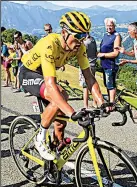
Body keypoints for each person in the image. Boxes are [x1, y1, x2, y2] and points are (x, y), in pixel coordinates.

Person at [19, 11, 104, 161]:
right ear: (64, 33)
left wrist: (102, 103)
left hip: (45, 77)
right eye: (77, 36)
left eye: (84, 36)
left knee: (60, 124)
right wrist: (73, 113)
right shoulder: (50, 44)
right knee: (62, 95)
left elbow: (89, 78)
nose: (81, 41)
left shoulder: (79, 48)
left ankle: (54, 163)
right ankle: (40, 138)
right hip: (29, 73)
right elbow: (51, 86)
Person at [97, 18, 121, 103]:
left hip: (111, 64)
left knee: (110, 84)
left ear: (114, 26)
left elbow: (115, 53)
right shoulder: (105, 35)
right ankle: (110, 102)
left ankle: (112, 103)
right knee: (107, 83)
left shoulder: (116, 36)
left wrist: (102, 55)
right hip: (104, 64)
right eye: (107, 25)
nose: (109, 27)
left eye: (111, 25)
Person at [79, 32, 98, 108]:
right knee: (92, 84)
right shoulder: (93, 40)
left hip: (86, 65)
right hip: (93, 64)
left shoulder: (85, 43)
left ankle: (85, 105)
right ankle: (94, 102)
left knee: (85, 86)